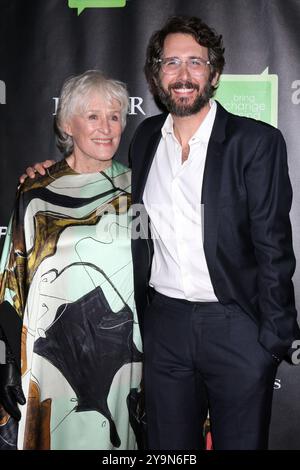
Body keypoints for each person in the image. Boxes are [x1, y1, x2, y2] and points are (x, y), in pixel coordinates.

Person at [18, 15, 300, 451]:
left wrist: (271, 340)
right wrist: (45, 174)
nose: (183, 75)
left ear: (214, 72)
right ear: (156, 75)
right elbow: (96, 178)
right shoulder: (146, 137)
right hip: (164, 328)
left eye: (195, 62)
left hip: (236, 325)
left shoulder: (256, 142)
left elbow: (274, 247)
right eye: (171, 63)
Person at [0, 70, 143, 450]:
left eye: (114, 116)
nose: (107, 128)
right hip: (51, 358)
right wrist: (10, 365)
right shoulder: (35, 192)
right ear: (67, 124)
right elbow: (12, 283)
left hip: (124, 356)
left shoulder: (140, 189)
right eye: (93, 116)